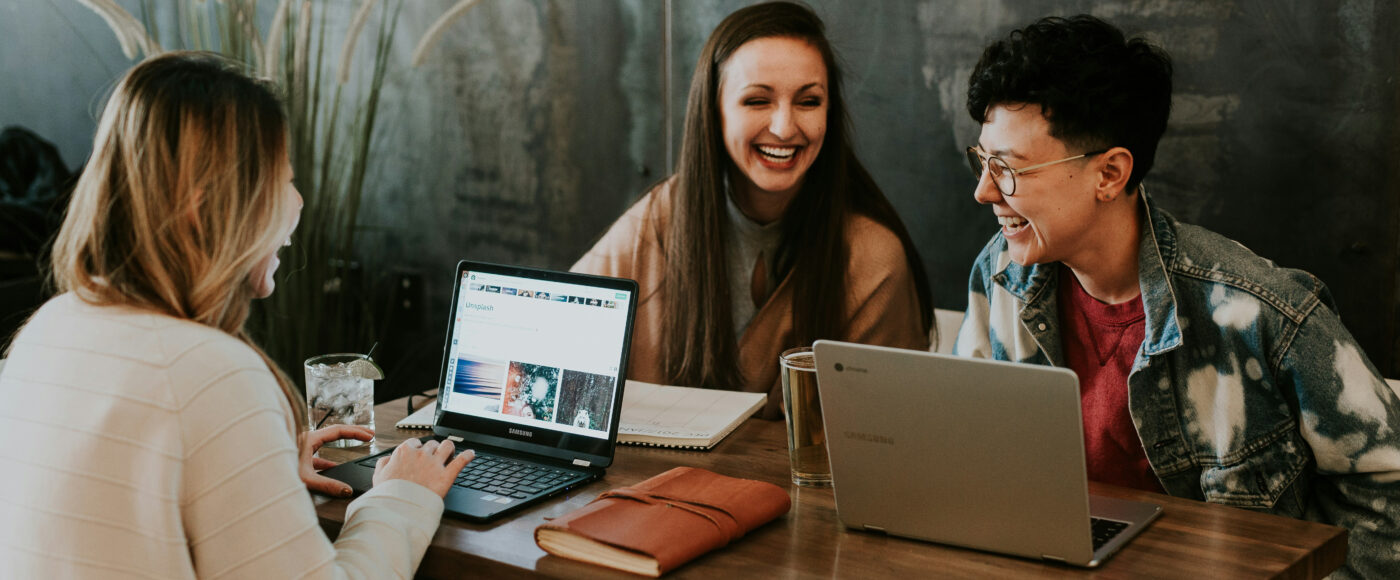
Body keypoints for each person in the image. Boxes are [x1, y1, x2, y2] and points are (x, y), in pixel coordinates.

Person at [952, 15, 1399, 578]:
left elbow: (1390, 491)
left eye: (1008, 169)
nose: (984, 190)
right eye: (982, 161)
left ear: (1110, 173)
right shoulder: (999, 274)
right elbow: (966, 454)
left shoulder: (1259, 311)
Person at [0, 52, 473, 578]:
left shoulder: (47, 330)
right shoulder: (212, 374)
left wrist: (255, 467)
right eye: (281, 181)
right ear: (206, 209)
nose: (296, 202)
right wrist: (402, 496)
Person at [573, 1, 933, 419]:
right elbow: (554, 333)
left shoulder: (873, 259)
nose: (784, 127)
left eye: (809, 101)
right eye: (757, 101)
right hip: (648, 483)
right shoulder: (657, 220)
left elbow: (887, 437)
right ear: (714, 111)